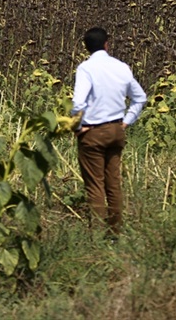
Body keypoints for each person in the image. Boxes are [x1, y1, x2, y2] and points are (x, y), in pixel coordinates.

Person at [71, 27, 147, 233]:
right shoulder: (121, 67)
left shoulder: (86, 68)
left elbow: (78, 103)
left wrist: (77, 127)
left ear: (86, 47)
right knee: (113, 184)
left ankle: (97, 234)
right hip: (116, 129)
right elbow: (140, 97)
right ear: (107, 44)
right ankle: (115, 232)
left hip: (93, 132)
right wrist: (126, 121)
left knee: (95, 185)